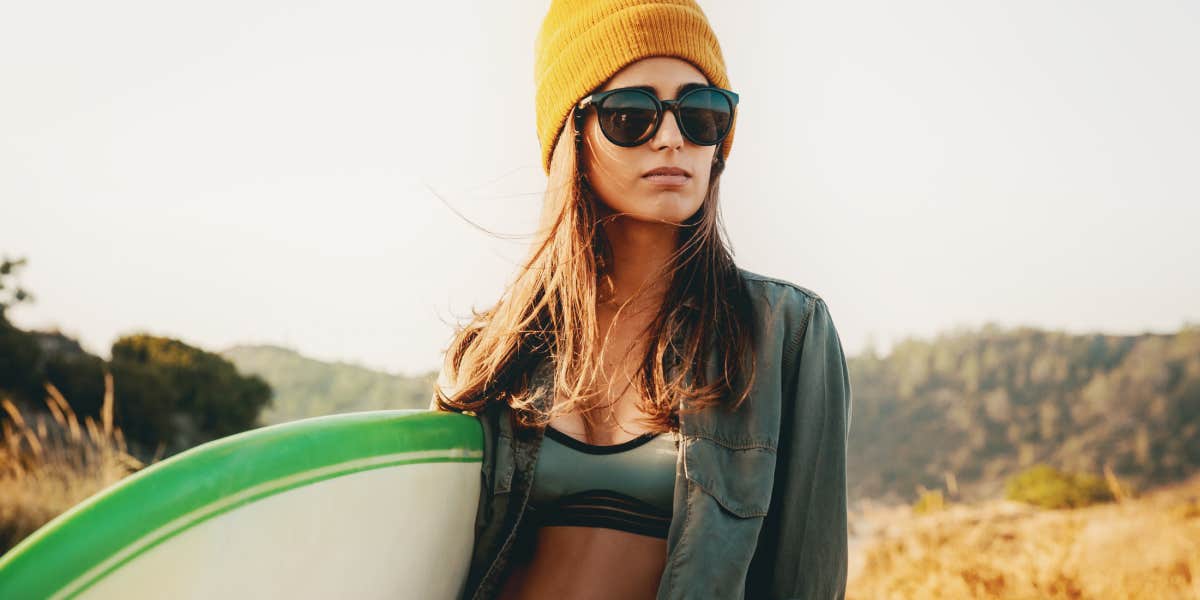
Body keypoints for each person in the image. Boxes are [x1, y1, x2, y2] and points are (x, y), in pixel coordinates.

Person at [430, 1, 852, 598]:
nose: (673, 138)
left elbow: (806, 581)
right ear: (571, 134)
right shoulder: (490, 354)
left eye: (702, 114)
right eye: (632, 115)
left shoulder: (788, 334)